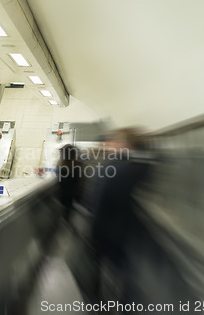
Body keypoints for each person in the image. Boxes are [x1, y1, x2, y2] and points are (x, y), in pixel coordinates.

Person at [90, 127, 149, 301]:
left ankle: (107, 301)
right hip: (114, 229)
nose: (109, 145)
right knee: (117, 270)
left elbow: (99, 199)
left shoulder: (121, 167)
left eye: (114, 142)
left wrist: (93, 229)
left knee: (111, 269)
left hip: (110, 229)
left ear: (125, 145)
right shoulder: (120, 166)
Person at [56, 144, 82, 224]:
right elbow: (77, 181)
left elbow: (59, 179)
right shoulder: (76, 164)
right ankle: (65, 221)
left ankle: (64, 221)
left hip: (63, 195)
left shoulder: (60, 164)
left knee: (64, 212)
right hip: (70, 195)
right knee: (67, 213)